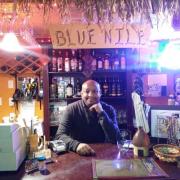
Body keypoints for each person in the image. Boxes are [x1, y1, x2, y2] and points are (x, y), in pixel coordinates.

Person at [55, 80, 120, 156]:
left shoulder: (109, 109)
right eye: (87, 91)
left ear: (100, 94)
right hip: (77, 155)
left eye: (95, 91)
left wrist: (102, 113)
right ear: (81, 94)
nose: (91, 95)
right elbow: (59, 136)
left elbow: (116, 138)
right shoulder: (71, 109)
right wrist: (76, 145)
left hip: (103, 154)